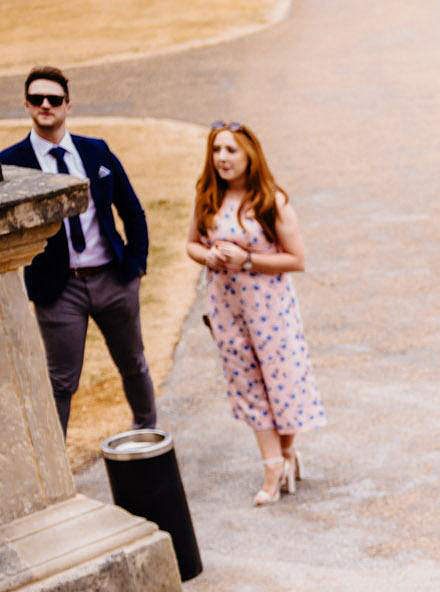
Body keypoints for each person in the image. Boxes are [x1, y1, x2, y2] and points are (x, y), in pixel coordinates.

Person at [1, 66, 157, 435]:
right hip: (59, 290)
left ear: (67, 105)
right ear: (26, 104)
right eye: (37, 99)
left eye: (53, 99)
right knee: (61, 381)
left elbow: (132, 210)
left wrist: (136, 266)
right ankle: (58, 465)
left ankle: (149, 435)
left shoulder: (95, 151)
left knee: (133, 363)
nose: (45, 105)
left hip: (112, 278)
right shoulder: (10, 163)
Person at [183, 122, 324, 507]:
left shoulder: (269, 201)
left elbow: (297, 259)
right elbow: (191, 245)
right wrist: (209, 255)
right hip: (227, 309)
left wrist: (246, 260)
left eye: (232, 150)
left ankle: (287, 451)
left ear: (250, 155)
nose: (223, 159)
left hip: (270, 309)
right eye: (217, 151)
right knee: (247, 384)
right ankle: (272, 464)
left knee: (283, 384)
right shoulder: (208, 197)